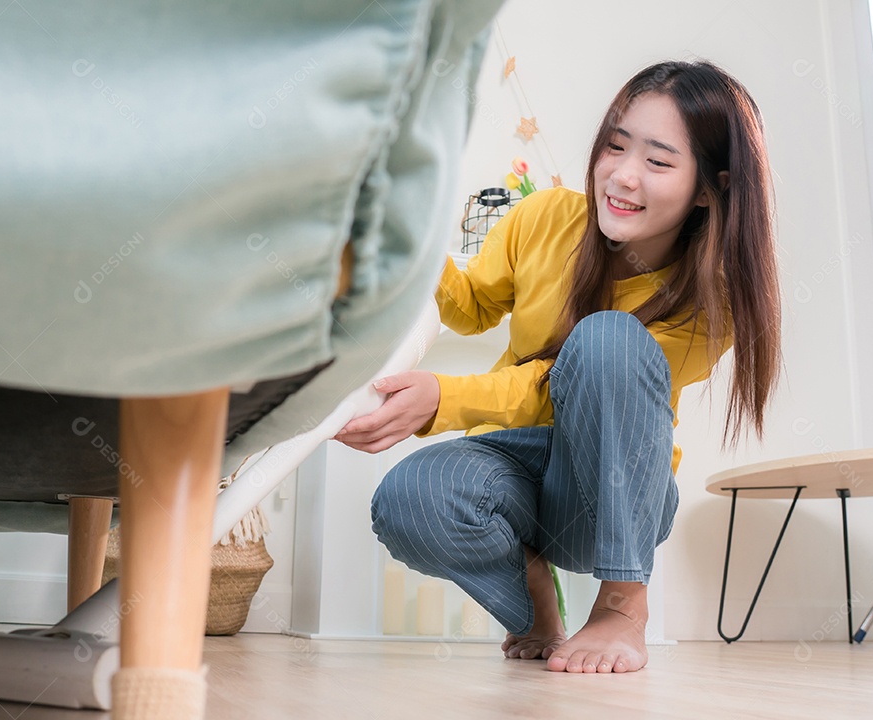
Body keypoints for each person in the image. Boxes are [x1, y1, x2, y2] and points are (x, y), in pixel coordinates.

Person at [334, 60, 782, 674]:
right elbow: (471, 308)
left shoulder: (716, 303)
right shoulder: (542, 217)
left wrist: (446, 398)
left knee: (607, 342)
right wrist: (407, 238)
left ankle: (624, 605)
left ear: (710, 186)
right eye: (615, 146)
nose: (622, 176)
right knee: (410, 498)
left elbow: (564, 380)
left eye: (657, 161)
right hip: (508, 463)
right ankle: (535, 605)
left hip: (609, 497)